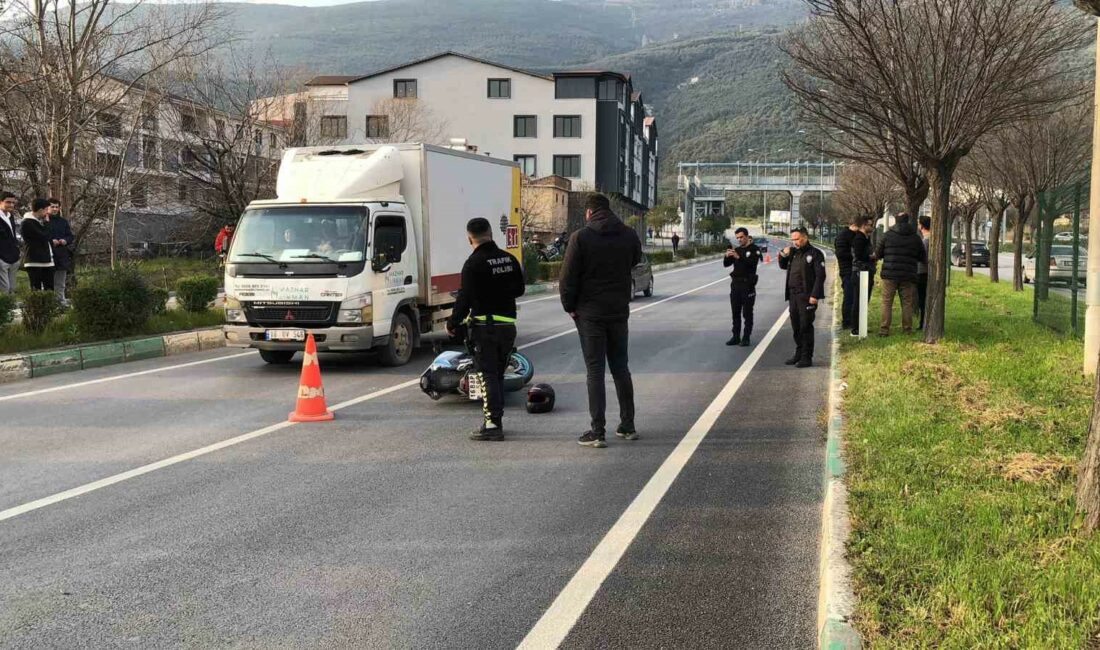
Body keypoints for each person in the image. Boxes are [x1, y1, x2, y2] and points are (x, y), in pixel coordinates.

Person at [560, 193, 642, 448]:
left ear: (588, 213)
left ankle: (597, 431)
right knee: (620, 367)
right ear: (609, 210)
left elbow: (567, 278)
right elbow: (636, 260)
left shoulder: (581, 237)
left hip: (590, 313)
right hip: (618, 311)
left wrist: (570, 307)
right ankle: (627, 425)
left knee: (595, 370)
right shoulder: (629, 235)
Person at [447, 218, 526, 441]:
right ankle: (496, 421)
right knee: (498, 375)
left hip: (485, 328)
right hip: (507, 327)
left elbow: (464, 298)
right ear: (491, 234)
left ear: (469, 238)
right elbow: (519, 289)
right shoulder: (510, 259)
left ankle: (492, 425)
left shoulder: (473, 263)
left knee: (487, 376)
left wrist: (453, 323)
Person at [778, 227, 826, 368]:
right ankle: (798, 353)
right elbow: (782, 266)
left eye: (797, 239)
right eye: (792, 239)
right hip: (793, 295)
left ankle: (806, 357)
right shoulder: (793, 253)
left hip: (807, 296)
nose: (795, 242)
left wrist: (814, 295)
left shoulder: (815, 254)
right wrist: (783, 254)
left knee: (805, 326)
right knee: (796, 326)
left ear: (805, 237)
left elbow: (820, 276)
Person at [874, 213, 926, 336]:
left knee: (887, 302)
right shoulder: (915, 238)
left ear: (896, 222)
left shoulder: (887, 236)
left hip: (890, 274)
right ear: (908, 221)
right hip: (908, 275)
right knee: (907, 303)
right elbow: (922, 256)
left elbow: (878, 254)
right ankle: (907, 329)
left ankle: (884, 329)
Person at [724, 227, 761, 346]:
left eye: (741, 237)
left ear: (747, 236)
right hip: (735, 285)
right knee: (735, 312)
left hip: (747, 285)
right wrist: (727, 255)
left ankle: (746, 337)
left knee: (747, 313)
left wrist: (739, 257)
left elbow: (751, 265)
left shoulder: (754, 250)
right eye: (737, 238)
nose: (739, 240)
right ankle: (735, 336)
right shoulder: (738, 250)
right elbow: (726, 264)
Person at [834, 217, 863, 330]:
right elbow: (840, 254)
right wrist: (857, 256)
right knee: (849, 296)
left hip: (855, 269)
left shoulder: (855, 235)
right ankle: (847, 322)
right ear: (856, 225)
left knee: (855, 297)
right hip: (847, 270)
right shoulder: (843, 236)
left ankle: (855, 321)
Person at [850, 218, 877, 336]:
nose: (872, 227)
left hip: (866, 271)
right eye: (870, 225)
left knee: (864, 300)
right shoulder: (859, 239)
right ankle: (855, 328)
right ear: (864, 225)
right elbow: (859, 255)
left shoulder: (865, 238)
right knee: (858, 300)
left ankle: (862, 325)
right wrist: (872, 256)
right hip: (860, 272)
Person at [20, 198, 54, 291]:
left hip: (47, 260)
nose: (47, 213)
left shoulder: (39, 221)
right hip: (35, 260)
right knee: (36, 289)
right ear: (40, 210)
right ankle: (37, 306)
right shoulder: (27, 223)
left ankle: (49, 305)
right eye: (46, 210)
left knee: (49, 288)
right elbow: (44, 236)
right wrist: (47, 224)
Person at [47, 199, 74, 303]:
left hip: (62, 255)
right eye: (52, 206)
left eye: (56, 207)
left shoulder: (63, 221)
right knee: (47, 281)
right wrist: (51, 241)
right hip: (48, 255)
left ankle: (60, 301)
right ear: (47, 208)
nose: (54, 209)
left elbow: (70, 236)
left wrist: (65, 240)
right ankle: (49, 302)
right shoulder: (44, 221)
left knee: (60, 282)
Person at [0, 193, 19, 294]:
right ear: (1, 202)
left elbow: (12, 236)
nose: (11, 205)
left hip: (13, 256)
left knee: (12, 288)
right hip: (2, 258)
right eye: (8, 202)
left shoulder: (10, 216)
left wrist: (16, 251)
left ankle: (9, 308)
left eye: (13, 203)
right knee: (4, 288)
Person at [917, 216, 931, 330]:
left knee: (922, 299)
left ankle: (923, 323)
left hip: (922, 273)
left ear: (921, 226)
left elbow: (922, 258)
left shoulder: (925, 241)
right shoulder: (932, 239)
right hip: (927, 272)